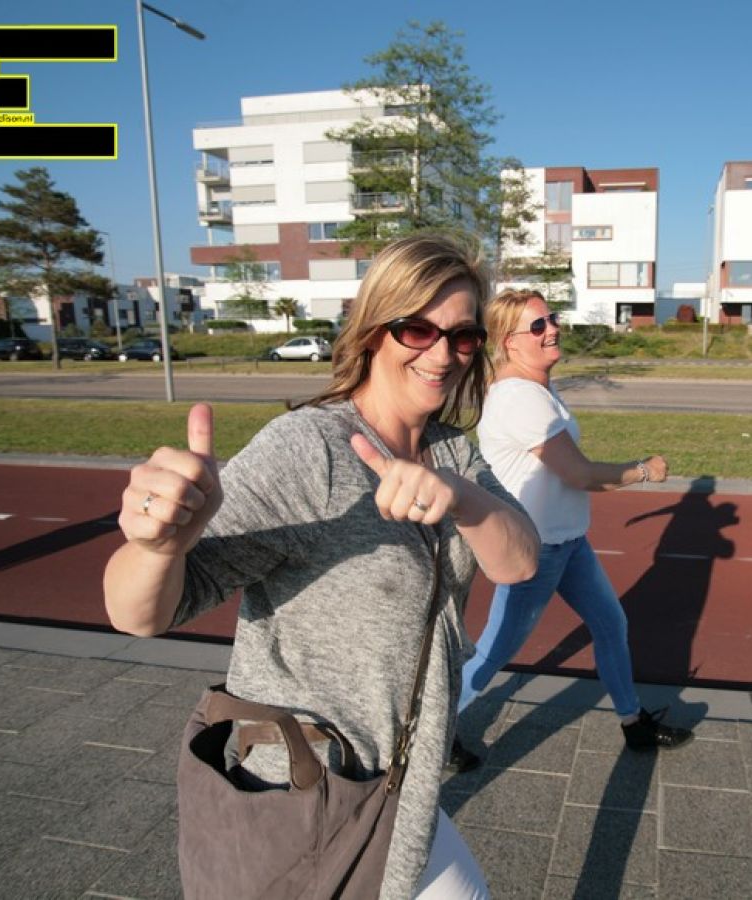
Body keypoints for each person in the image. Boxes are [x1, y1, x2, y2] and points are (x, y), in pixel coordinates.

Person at [103, 234, 539, 900]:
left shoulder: (453, 452)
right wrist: (156, 548)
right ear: (372, 331)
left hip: (400, 784)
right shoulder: (310, 452)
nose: (441, 354)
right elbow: (139, 614)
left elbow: (520, 561)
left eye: (462, 336)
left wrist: (462, 495)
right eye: (417, 329)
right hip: (308, 792)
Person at [454, 288, 693, 768]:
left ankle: (633, 722)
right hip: (535, 551)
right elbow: (579, 474)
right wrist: (642, 470)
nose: (552, 329)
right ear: (508, 341)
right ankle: (423, 735)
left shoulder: (538, 386)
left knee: (610, 624)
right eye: (537, 326)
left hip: (568, 543)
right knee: (493, 653)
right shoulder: (519, 397)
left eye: (552, 319)